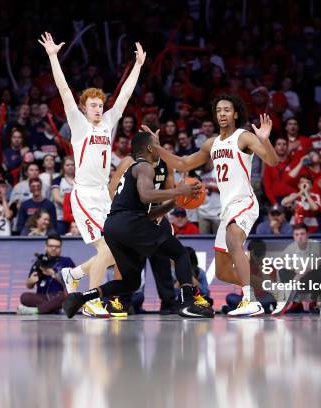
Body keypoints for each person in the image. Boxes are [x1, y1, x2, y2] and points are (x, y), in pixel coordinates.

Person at [39, 33, 148, 317]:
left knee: (114, 251)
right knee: (105, 248)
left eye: (101, 105)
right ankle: (91, 301)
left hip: (103, 195)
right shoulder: (78, 124)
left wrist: (138, 65)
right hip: (85, 194)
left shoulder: (108, 122)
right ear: (84, 108)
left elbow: (124, 95)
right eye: (93, 105)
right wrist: (53, 56)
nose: (99, 109)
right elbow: (63, 90)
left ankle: (75, 275)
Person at [62, 131, 214, 319]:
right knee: (180, 253)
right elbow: (146, 195)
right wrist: (178, 191)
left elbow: (148, 213)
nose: (160, 149)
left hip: (113, 227)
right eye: (157, 145)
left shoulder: (133, 169)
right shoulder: (145, 166)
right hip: (130, 223)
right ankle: (187, 304)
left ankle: (80, 298)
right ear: (150, 148)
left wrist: (175, 203)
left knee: (130, 283)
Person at [154, 94, 280, 316]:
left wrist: (265, 139)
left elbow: (272, 161)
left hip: (244, 202)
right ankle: (269, 289)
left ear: (236, 113)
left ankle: (250, 300)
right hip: (226, 209)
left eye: (227, 110)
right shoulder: (211, 143)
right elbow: (183, 163)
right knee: (222, 270)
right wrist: (158, 149)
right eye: (219, 110)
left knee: (233, 239)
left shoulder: (244, 137)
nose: (222, 113)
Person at [109, 146, 184, 314]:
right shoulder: (129, 161)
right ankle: (124, 302)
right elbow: (112, 188)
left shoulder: (166, 164)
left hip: (157, 214)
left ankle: (168, 302)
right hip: (133, 217)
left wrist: (161, 213)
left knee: (162, 260)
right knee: (131, 262)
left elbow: (169, 192)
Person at [18, 235, 75, 315]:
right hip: (41, 296)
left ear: (61, 248)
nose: (54, 248)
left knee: (67, 296)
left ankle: (37, 311)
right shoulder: (40, 261)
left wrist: (53, 274)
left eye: (57, 246)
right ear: (46, 247)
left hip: (58, 295)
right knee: (24, 297)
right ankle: (54, 308)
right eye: (51, 246)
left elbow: (72, 284)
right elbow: (29, 286)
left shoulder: (67, 261)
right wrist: (31, 281)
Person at [50, 156, 75, 235]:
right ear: (63, 167)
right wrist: (72, 205)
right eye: (67, 165)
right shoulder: (57, 180)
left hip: (78, 218)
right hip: (61, 217)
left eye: (72, 164)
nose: (70, 167)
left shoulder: (81, 180)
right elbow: (56, 198)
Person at [197, 159, 221, 234]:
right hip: (202, 212)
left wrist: (210, 186)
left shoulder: (219, 171)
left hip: (218, 212)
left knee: (218, 241)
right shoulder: (199, 173)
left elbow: (227, 190)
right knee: (204, 242)